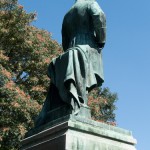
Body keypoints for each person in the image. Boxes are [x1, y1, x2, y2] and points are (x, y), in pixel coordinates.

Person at [35, 0, 106, 126]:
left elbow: (64, 39)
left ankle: (72, 103)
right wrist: (101, 40)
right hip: (86, 47)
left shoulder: (68, 14)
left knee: (75, 60)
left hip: (71, 50)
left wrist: (69, 49)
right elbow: (99, 16)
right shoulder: (90, 3)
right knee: (80, 66)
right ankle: (80, 105)